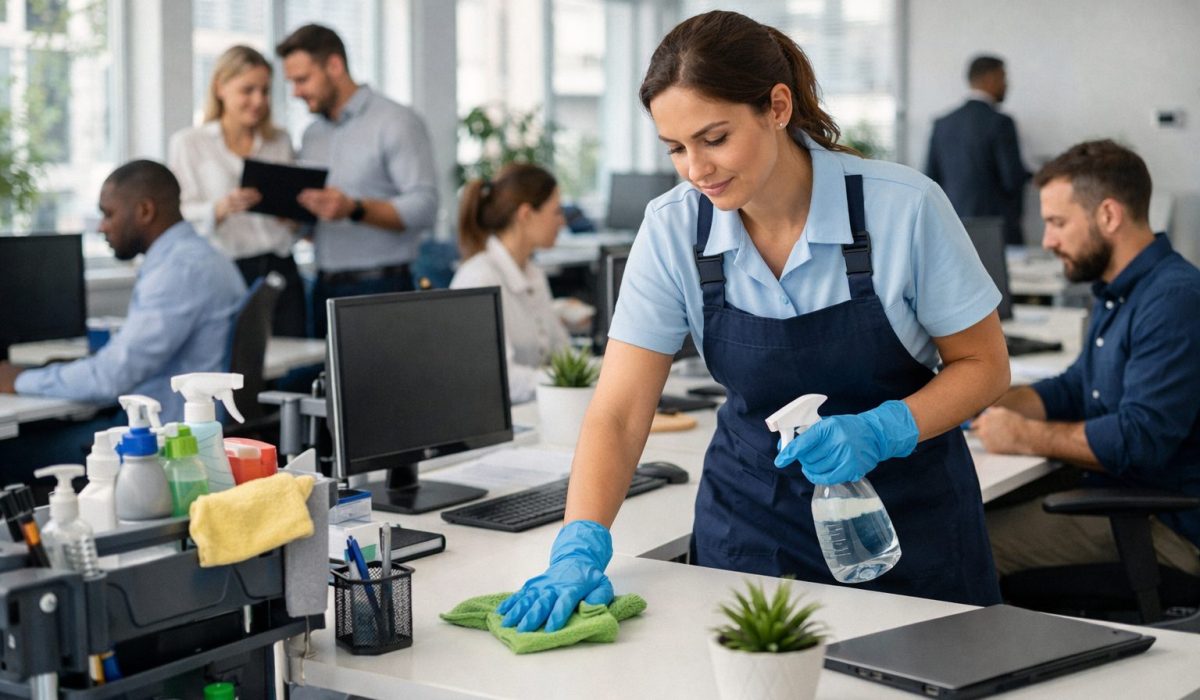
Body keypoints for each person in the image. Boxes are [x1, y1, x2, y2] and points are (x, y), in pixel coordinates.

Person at [498, 10, 1011, 634]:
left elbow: (985, 366)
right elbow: (619, 409)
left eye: (714, 139)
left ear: (776, 106)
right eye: (676, 149)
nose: (695, 169)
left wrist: (885, 428)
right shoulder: (673, 229)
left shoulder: (903, 209)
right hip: (751, 530)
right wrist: (580, 541)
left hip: (912, 528)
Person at [974, 140, 1200, 579]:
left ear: (1109, 216)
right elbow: (1080, 385)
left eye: (1057, 222)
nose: (1047, 240)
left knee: (968, 548)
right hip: (1123, 498)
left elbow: (1139, 439)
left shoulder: (1173, 300)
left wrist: (1025, 436)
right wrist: (1001, 402)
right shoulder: (1119, 291)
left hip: (1167, 528)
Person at [0, 161, 245, 479]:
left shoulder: (178, 270)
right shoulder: (203, 256)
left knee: (8, 454)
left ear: (144, 211)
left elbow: (110, 379)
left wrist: (17, 380)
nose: (102, 226)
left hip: (162, 442)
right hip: (183, 431)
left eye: (109, 214)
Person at [275, 24, 439, 338]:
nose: (295, 92)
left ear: (334, 66)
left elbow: (425, 207)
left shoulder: (395, 121)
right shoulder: (312, 135)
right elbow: (321, 222)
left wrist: (354, 208)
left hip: (381, 289)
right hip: (323, 288)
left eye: (302, 79)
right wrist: (296, 219)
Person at [169, 45, 306, 337]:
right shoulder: (190, 143)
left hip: (281, 269)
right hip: (226, 271)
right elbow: (177, 218)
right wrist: (218, 209)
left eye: (265, 91)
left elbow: (296, 219)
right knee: (236, 366)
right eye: (248, 90)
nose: (258, 100)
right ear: (220, 87)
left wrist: (292, 215)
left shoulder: (279, 141)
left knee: (295, 364)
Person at [450, 164, 573, 403]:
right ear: (526, 214)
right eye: (556, 212)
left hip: (534, 411)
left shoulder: (533, 273)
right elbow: (498, 379)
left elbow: (562, 353)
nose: (563, 222)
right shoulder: (478, 279)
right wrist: (567, 379)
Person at [925, 55, 1030, 246]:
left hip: (953, 226)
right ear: (991, 78)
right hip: (998, 229)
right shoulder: (1001, 123)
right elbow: (1012, 179)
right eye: (1003, 78)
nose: (1007, 85)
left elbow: (931, 178)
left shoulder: (942, 124)